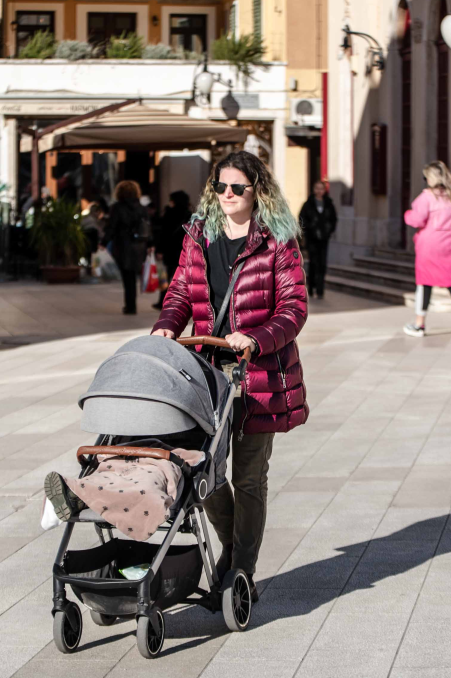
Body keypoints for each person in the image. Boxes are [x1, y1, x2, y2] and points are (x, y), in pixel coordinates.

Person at [151, 150, 309, 602]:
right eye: (220, 187)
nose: (227, 195)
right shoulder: (200, 233)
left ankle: (241, 568)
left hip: (259, 375)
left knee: (248, 479)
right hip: (208, 372)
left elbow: (294, 309)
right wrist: (167, 324)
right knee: (206, 474)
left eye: (237, 188)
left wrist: (257, 337)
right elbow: (182, 289)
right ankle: (231, 555)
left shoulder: (278, 239)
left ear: (256, 189)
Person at [402, 161, 451, 338]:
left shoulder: (426, 197)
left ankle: (419, 324)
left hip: (431, 244)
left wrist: (407, 215)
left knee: (425, 283)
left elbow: (416, 220)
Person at [105, 180, 149, 315]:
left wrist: (103, 242)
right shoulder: (142, 207)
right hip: (139, 245)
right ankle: (131, 305)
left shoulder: (117, 207)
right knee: (132, 276)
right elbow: (147, 227)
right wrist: (151, 244)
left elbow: (111, 227)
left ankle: (130, 306)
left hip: (123, 245)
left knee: (127, 276)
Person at [152, 190, 193, 309]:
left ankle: (162, 301)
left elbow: (163, 234)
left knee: (167, 276)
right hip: (184, 250)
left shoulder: (169, 214)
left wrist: (159, 250)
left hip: (170, 250)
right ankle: (184, 303)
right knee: (183, 278)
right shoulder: (189, 214)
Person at [298, 180, 337, 299]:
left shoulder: (329, 204)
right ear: (313, 189)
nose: (319, 191)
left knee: (322, 263)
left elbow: (333, 219)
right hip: (312, 238)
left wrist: (328, 230)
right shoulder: (308, 204)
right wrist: (309, 230)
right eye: (317, 188)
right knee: (313, 263)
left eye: (322, 188)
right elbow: (302, 219)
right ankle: (311, 287)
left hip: (324, 239)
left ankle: (320, 289)